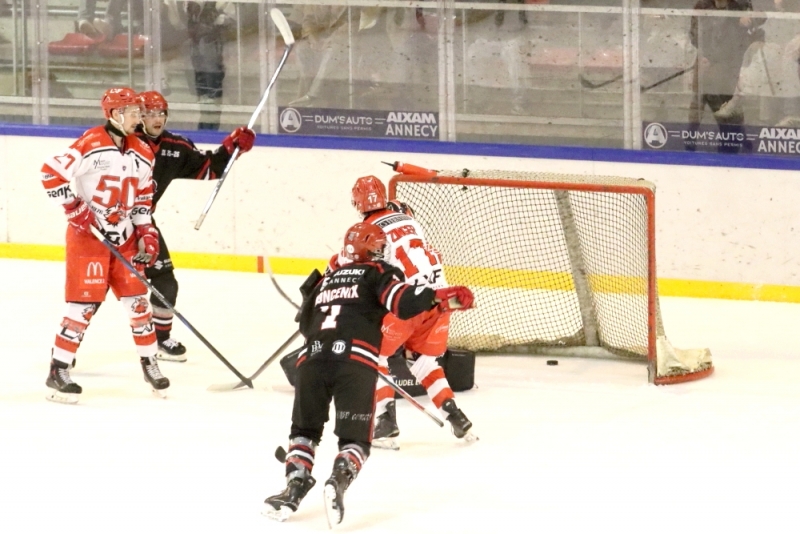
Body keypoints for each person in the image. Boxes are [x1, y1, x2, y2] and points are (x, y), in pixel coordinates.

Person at [263, 222, 474, 526]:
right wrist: (445, 298)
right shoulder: (379, 273)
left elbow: (305, 325)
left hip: (311, 361)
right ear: (374, 251)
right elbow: (404, 303)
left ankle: (293, 488)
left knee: (304, 433)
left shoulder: (327, 277)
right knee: (354, 441)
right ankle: (338, 479)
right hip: (355, 364)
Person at [40, 87, 167, 404]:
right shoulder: (91, 142)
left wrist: (146, 231)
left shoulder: (143, 151)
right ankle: (58, 368)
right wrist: (74, 208)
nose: (140, 118)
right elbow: (50, 174)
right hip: (89, 240)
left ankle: (150, 362)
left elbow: (141, 198)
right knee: (81, 308)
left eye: (140, 111)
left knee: (139, 305)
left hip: (125, 241)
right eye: (133, 112)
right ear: (114, 114)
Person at [332, 175, 476, 449]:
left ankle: (386, 423)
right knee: (423, 362)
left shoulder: (367, 228)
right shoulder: (409, 220)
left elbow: (347, 262)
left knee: (373, 355)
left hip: (408, 303)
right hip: (440, 300)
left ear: (357, 202)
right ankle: (455, 415)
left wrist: (325, 280)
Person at [135, 90, 255, 361]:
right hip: (109, 224)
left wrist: (232, 148)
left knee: (166, 283)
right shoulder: (124, 144)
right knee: (95, 290)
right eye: (150, 113)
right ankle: (66, 350)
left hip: (143, 224)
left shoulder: (174, 147)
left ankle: (160, 340)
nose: (157, 119)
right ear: (138, 116)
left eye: (161, 113)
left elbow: (210, 168)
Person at [688, 0, 764, 135]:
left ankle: (736, 143)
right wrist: (705, 55)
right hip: (705, 64)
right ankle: (689, 143)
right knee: (697, 106)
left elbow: (762, 15)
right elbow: (694, 35)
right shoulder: (702, 5)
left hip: (729, 67)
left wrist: (750, 18)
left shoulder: (741, 5)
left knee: (728, 112)